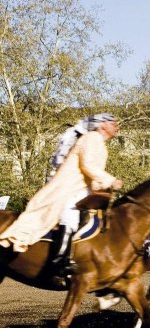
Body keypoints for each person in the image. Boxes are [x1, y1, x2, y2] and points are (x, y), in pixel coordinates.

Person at [0, 113, 123, 285]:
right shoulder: (92, 138)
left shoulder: (99, 141)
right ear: (103, 125)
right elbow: (87, 165)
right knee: (70, 216)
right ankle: (60, 263)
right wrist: (110, 180)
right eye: (113, 123)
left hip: (80, 188)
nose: (117, 126)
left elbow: (92, 172)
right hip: (69, 186)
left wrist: (103, 187)